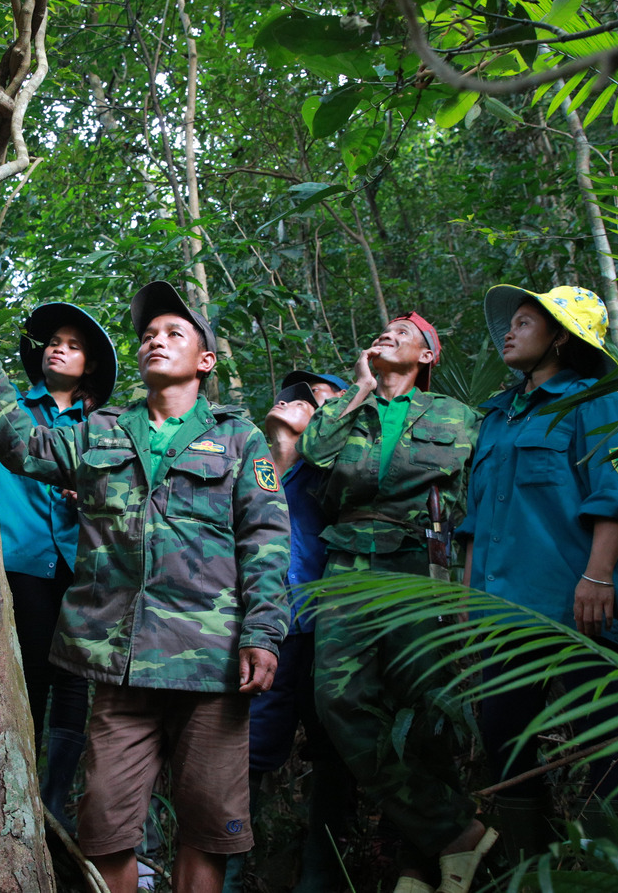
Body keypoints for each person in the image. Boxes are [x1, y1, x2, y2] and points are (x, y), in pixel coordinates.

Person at [0, 280, 290, 893]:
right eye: (147, 335)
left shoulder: (240, 439)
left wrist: (265, 634)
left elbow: (267, 540)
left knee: (205, 829)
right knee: (106, 826)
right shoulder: (104, 429)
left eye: (174, 334)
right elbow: (23, 447)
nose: (155, 342)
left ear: (206, 359)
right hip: (121, 663)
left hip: (211, 666)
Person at [294, 314, 494, 893]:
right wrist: (358, 388)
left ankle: (421, 864)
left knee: (428, 709)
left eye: (402, 334)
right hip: (349, 563)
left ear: (428, 357)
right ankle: (455, 830)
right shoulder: (347, 410)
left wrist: (468, 586)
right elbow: (315, 448)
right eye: (380, 331)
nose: (386, 335)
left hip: (422, 562)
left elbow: (479, 494)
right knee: (338, 699)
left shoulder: (459, 416)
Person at [457, 285, 618, 851]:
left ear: (560, 338)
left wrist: (597, 577)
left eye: (525, 322)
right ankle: (528, 861)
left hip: (578, 601)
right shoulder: (497, 416)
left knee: (606, 733)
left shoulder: (599, 401)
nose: (509, 333)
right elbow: (477, 516)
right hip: (506, 607)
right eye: (511, 323)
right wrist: (470, 597)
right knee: (503, 738)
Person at [0, 302, 117, 832]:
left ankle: (54, 804)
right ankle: (20, 799)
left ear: (89, 368)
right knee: (34, 672)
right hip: (21, 561)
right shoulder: (7, 406)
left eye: (75, 345)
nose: (60, 348)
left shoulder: (103, 427)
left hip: (82, 566)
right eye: (54, 341)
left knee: (73, 681)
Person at [224, 374, 357, 893]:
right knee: (247, 752)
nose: (298, 400)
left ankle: (322, 877)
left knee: (333, 749)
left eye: (317, 397)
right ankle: (227, 875)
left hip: (325, 630)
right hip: (255, 631)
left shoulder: (339, 478)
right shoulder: (242, 469)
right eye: (292, 393)